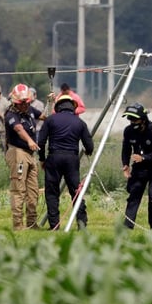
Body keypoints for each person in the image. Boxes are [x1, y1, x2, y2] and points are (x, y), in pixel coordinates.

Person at [37, 93, 94, 231]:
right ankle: (82, 224)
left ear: (58, 107)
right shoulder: (79, 122)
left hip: (54, 157)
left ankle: (54, 225)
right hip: (72, 160)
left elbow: (41, 141)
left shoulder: (50, 120)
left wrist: (42, 159)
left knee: (52, 193)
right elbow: (89, 145)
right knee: (76, 191)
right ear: (73, 107)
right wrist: (87, 152)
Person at [120, 103, 152, 229]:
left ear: (143, 119)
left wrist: (144, 158)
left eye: (134, 119)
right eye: (130, 119)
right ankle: (127, 227)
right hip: (139, 169)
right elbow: (126, 149)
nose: (132, 122)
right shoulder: (128, 131)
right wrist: (125, 165)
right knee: (134, 195)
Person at [4, 84, 41, 230]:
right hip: (17, 153)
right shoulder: (10, 115)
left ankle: (32, 223)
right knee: (18, 190)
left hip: (30, 155)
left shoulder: (30, 110)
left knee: (33, 191)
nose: (25, 105)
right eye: (22, 103)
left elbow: (45, 116)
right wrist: (30, 140)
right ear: (15, 102)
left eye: (27, 102)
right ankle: (18, 224)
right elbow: (19, 129)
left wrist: (51, 102)